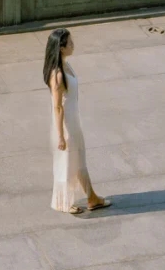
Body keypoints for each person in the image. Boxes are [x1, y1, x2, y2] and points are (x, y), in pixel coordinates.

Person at [44, 27, 110, 214]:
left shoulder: (67, 66)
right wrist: (61, 137)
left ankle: (92, 197)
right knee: (66, 163)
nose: (73, 45)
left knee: (79, 160)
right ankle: (63, 202)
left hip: (73, 120)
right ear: (61, 48)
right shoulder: (57, 75)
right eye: (70, 43)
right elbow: (57, 107)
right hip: (65, 126)